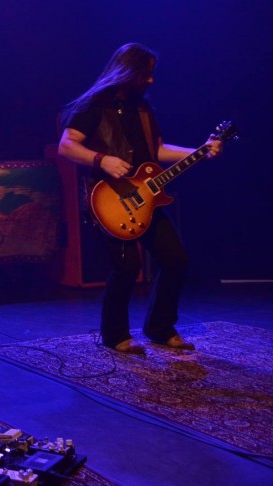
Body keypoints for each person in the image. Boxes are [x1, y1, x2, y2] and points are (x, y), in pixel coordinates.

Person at [58, 43, 221, 354]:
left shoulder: (144, 109)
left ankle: (160, 328)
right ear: (128, 71)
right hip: (109, 200)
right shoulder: (95, 105)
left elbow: (158, 151)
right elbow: (67, 146)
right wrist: (102, 160)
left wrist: (200, 151)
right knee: (127, 267)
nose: (150, 80)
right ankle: (115, 335)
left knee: (175, 259)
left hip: (145, 198)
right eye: (145, 74)